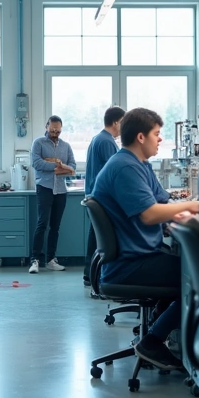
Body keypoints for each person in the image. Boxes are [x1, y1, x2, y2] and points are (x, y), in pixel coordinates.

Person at [91, 108, 199, 370]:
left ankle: (155, 337)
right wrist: (194, 206)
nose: (160, 139)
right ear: (141, 137)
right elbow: (151, 214)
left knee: (187, 269)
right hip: (129, 265)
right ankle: (153, 341)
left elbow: (162, 201)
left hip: (137, 257)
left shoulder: (139, 165)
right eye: (157, 134)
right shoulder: (124, 167)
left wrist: (183, 208)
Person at [83, 106, 126, 287]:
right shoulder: (107, 142)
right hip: (103, 199)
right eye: (123, 123)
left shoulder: (97, 138)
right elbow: (114, 172)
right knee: (102, 242)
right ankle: (98, 277)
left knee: (96, 239)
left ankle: (89, 275)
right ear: (116, 122)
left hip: (95, 196)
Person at [29, 115, 77, 274]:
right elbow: (36, 163)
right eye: (52, 130)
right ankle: (35, 260)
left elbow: (72, 166)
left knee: (55, 227)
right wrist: (57, 166)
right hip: (44, 187)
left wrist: (58, 164)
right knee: (42, 223)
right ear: (46, 127)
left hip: (61, 190)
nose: (55, 133)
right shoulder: (38, 143)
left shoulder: (66, 146)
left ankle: (50, 259)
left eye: (58, 131)